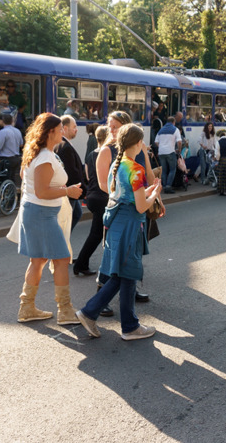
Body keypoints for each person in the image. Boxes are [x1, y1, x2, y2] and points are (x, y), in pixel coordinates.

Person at [76, 124, 162, 341]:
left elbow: (126, 194)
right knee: (125, 273)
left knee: (124, 274)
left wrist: (146, 192)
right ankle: (94, 313)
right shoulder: (136, 168)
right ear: (138, 143)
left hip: (116, 224)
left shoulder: (118, 163)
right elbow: (142, 206)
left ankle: (127, 324)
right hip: (130, 226)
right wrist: (155, 193)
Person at [15, 113, 83, 325]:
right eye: (60, 129)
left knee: (38, 260)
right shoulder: (44, 157)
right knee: (61, 260)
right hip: (41, 213)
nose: (63, 131)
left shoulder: (39, 154)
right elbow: (42, 191)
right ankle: (65, 311)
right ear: (50, 132)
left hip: (36, 212)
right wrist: (67, 191)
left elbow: (32, 186)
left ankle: (26, 308)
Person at [96, 110, 156, 309]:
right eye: (109, 126)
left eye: (115, 127)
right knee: (117, 257)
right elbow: (105, 185)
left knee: (128, 256)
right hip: (120, 209)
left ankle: (129, 292)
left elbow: (149, 177)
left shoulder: (135, 153)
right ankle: (99, 302)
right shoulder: (108, 152)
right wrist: (129, 197)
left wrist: (145, 153)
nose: (111, 130)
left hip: (132, 205)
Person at [72, 125, 109, 277]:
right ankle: (81, 264)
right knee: (96, 234)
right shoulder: (108, 154)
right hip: (102, 197)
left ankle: (83, 263)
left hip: (92, 196)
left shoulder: (90, 155)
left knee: (97, 233)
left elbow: (88, 176)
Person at [54, 115, 85, 230]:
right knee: (66, 221)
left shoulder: (63, 144)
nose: (76, 129)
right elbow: (72, 172)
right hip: (70, 191)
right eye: (74, 127)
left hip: (69, 191)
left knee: (77, 213)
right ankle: (62, 242)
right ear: (65, 128)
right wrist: (83, 190)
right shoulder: (65, 146)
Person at [0, 113, 23, 186]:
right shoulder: (17, 131)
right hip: (16, 159)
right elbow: (21, 145)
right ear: (12, 121)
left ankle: (7, 193)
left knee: (5, 179)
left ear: (2, 121)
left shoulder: (3, 132)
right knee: (12, 177)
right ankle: (12, 191)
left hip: (7, 160)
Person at [155, 116, 182, 194]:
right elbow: (179, 142)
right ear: (173, 122)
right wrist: (179, 149)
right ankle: (168, 186)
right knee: (172, 169)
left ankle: (163, 186)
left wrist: (161, 147)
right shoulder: (175, 129)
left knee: (164, 170)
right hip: (170, 152)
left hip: (161, 152)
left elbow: (156, 142)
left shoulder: (161, 130)